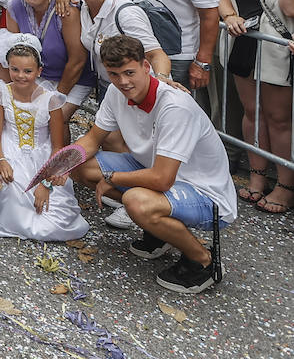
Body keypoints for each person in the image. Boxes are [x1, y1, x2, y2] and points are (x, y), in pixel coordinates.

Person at [70, 36, 237, 293]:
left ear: (146, 66)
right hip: (157, 171)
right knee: (81, 166)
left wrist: (112, 178)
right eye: (114, 74)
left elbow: (162, 179)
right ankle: (160, 231)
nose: (123, 82)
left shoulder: (175, 106)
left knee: (137, 201)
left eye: (129, 72)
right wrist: (60, 162)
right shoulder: (116, 92)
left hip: (205, 193)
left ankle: (204, 261)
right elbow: (92, 140)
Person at [0, 44, 88, 241]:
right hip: (8, 150)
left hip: (43, 158)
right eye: (15, 69)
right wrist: (1, 161)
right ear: (8, 69)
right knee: (8, 187)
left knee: (53, 217)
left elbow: (57, 145)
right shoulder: (1, 93)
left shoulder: (51, 100)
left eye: (28, 71)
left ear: (39, 71)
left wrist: (46, 182)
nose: (20, 76)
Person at [217, 0, 294, 214]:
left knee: (279, 119)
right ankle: (257, 177)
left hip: (278, 50)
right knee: (252, 112)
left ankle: (285, 186)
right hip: (244, 43)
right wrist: (229, 14)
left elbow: (289, 8)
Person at [5, 0, 91, 116]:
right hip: (36, 77)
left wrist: (56, 97)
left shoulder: (65, 10)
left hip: (72, 79)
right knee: (20, 114)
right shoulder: (15, 6)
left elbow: (77, 60)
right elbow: (15, 54)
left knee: (56, 116)